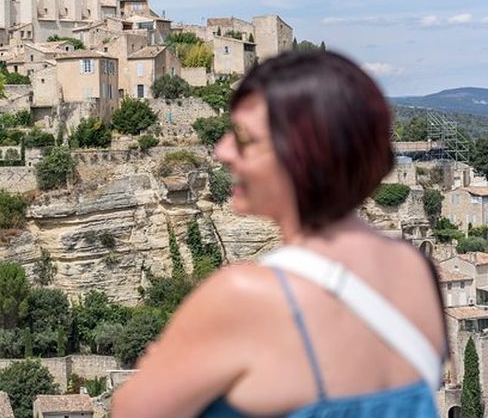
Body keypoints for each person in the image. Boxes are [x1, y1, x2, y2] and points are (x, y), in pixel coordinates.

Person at [113, 51, 445, 417]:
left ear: (302, 155)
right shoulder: (416, 270)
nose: (222, 151)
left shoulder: (246, 295)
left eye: (244, 139)